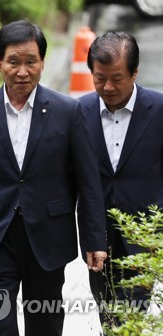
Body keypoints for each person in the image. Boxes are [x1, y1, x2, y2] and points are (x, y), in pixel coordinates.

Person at [0, 20, 108, 336]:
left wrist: (95, 239)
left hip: (49, 237)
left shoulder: (67, 111)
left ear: (42, 62)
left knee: (45, 324)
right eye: (13, 61)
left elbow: (88, 181)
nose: (22, 71)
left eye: (31, 61)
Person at [78, 31, 163, 324]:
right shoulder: (79, 112)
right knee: (107, 316)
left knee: (131, 319)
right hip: (97, 237)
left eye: (117, 78)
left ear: (135, 72)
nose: (108, 86)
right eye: (100, 78)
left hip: (144, 236)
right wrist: (89, 235)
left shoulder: (159, 109)